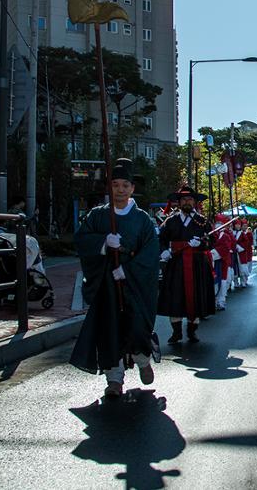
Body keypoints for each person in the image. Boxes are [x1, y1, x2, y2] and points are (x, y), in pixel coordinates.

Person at [70, 159, 159, 399]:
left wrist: (128, 271)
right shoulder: (98, 215)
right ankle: (114, 380)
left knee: (137, 327)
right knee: (109, 330)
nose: (120, 190)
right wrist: (102, 244)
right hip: (107, 284)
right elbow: (81, 239)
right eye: (115, 185)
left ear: (132, 188)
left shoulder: (142, 220)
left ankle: (142, 360)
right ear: (109, 188)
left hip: (135, 285)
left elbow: (151, 253)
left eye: (125, 185)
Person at [157, 186, 215, 344]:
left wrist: (201, 244)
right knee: (175, 295)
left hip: (197, 265)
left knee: (195, 296)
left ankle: (192, 331)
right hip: (176, 263)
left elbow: (211, 242)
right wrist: (164, 251)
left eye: (190, 199)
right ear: (179, 202)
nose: (187, 202)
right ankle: (176, 332)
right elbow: (161, 239)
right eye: (184, 199)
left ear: (195, 202)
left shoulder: (202, 221)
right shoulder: (171, 220)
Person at [212, 213, 235, 310]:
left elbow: (225, 248)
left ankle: (221, 301)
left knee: (222, 282)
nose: (218, 224)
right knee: (213, 283)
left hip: (222, 262)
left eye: (220, 222)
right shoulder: (212, 234)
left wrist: (211, 254)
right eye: (217, 222)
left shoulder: (226, 236)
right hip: (212, 262)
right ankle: (212, 302)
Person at [231, 218, 252, 287]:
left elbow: (246, 242)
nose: (238, 226)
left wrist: (239, 247)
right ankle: (236, 282)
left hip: (241, 253)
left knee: (242, 268)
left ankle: (243, 281)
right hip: (233, 253)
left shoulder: (242, 234)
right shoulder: (231, 233)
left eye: (239, 225)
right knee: (235, 268)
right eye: (236, 225)